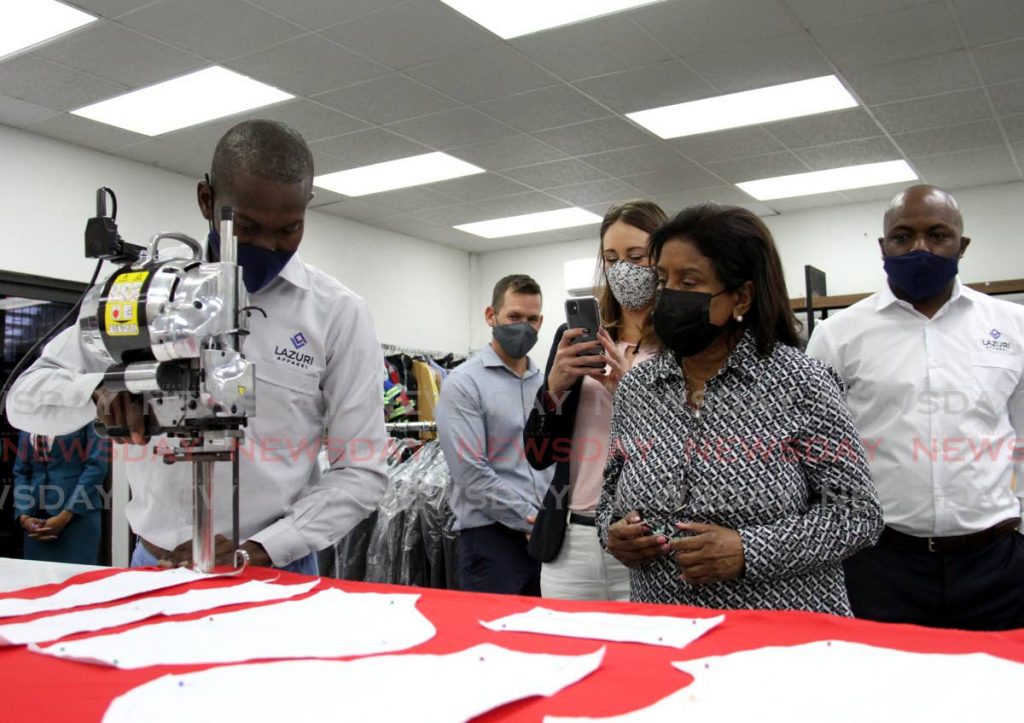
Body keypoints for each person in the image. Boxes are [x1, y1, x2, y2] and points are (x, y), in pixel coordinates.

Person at [5, 120, 389, 575]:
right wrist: (100, 390)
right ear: (208, 201)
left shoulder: (337, 313)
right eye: (246, 227)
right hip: (154, 563)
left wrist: (260, 549)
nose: (268, 245)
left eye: (288, 230)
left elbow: (361, 470)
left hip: (275, 568)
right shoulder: (137, 296)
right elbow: (24, 401)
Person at [598, 203, 883, 615]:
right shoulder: (639, 387)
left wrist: (748, 549)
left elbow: (858, 515)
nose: (668, 295)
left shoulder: (800, 382)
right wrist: (613, 533)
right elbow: (609, 495)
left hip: (779, 634)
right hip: (665, 627)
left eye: (689, 281)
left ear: (741, 296)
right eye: (662, 280)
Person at [805, 184, 1024, 630]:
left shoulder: (1012, 327)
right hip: (881, 564)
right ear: (883, 246)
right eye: (903, 236)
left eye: (937, 235)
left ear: (961, 245)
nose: (919, 247)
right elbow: (815, 452)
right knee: (887, 692)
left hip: (997, 565)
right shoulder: (838, 336)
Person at [523, 199, 666, 601]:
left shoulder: (684, 346)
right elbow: (538, 453)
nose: (623, 268)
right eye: (611, 257)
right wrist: (552, 390)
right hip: (569, 538)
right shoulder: (575, 338)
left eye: (636, 257)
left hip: (647, 539)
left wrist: (631, 394)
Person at [435, 274, 552, 595]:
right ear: (491, 316)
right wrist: (530, 519)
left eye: (531, 319)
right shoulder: (463, 383)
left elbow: (556, 458)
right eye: (513, 316)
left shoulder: (547, 383)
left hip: (548, 538)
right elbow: (470, 472)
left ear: (541, 322)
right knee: (495, 638)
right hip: (491, 540)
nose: (523, 326)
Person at [13, 424, 109, 564]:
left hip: (77, 517)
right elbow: (21, 471)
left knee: (76, 582)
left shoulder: (88, 416)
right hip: (36, 523)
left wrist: (65, 516)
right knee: (39, 582)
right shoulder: (28, 418)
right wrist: (24, 516)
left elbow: (96, 469)